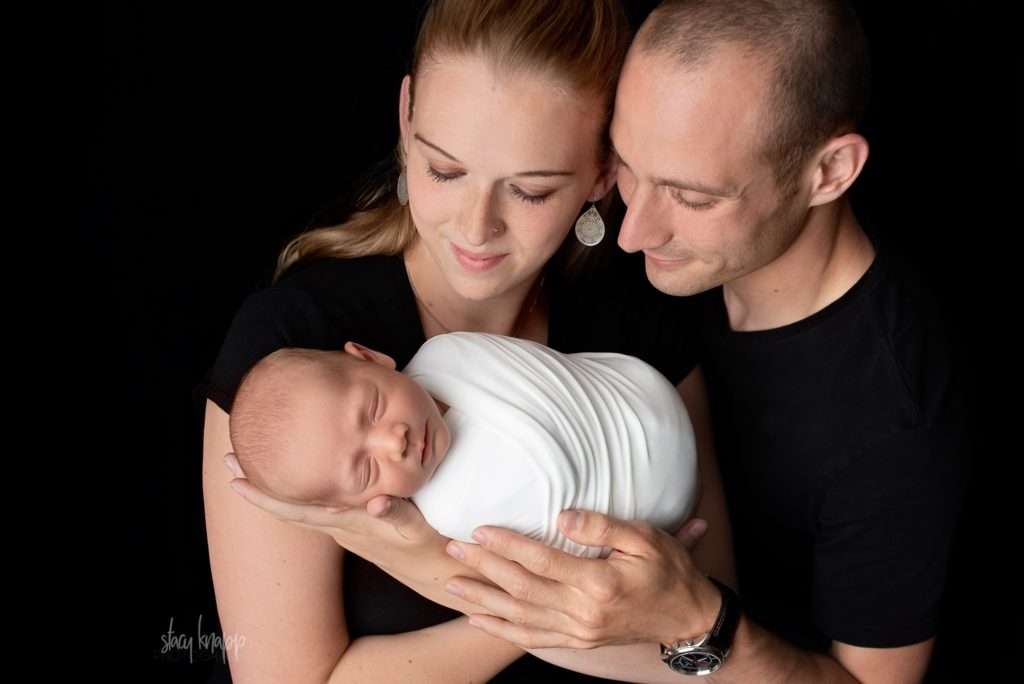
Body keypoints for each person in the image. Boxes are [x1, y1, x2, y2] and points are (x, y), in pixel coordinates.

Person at [196, 1, 733, 682]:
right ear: (407, 116)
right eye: (446, 171)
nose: (477, 227)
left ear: (604, 174)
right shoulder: (302, 352)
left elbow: (706, 648)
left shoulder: (635, 335)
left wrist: (432, 562)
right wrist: (538, 608)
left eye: (531, 191)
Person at [437, 1, 970, 683]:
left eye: (692, 198)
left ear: (829, 172)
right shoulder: (635, 244)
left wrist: (698, 623)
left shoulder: (895, 416)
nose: (631, 234)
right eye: (626, 167)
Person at [228, 333, 698, 558]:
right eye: (367, 471)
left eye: (373, 408)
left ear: (370, 357)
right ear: (355, 506)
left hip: (645, 404)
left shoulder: (448, 351)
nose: (395, 440)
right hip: (657, 485)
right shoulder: (451, 512)